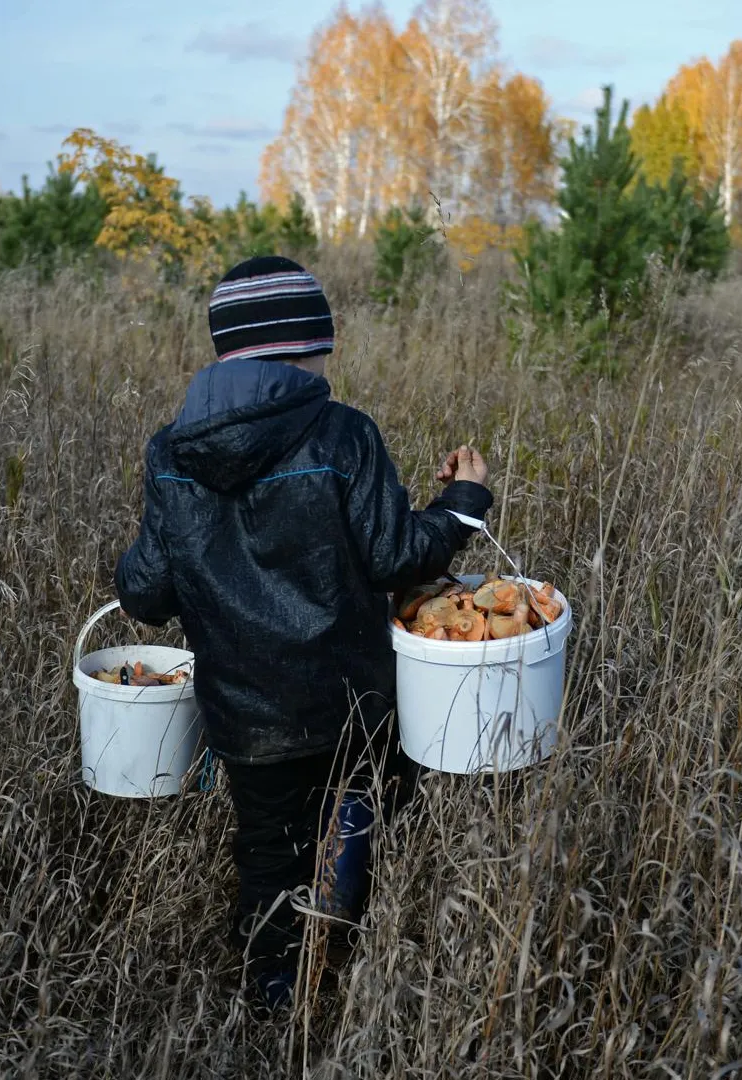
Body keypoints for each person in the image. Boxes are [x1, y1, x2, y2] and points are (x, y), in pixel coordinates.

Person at [113, 255, 492, 1010]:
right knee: (363, 810)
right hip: (350, 698)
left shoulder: (171, 452)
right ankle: (339, 953)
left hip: (244, 716)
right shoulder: (343, 434)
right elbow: (396, 556)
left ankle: (276, 990)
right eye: (322, 344)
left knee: (265, 852)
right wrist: (464, 501)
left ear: (224, 352)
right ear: (304, 347)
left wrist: (161, 551)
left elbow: (145, 591)